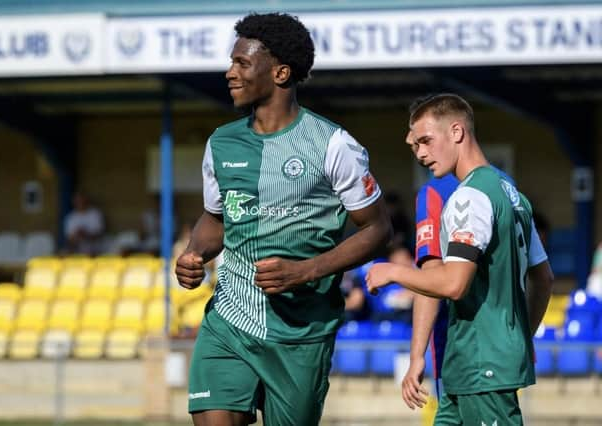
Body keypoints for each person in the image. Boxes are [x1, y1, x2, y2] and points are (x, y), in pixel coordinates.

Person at [175, 12, 391, 426]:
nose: (229, 73)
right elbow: (216, 218)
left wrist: (306, 271)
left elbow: (378, 229)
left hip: (301, 333)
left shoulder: (333, 145)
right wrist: (194, 253)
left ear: (280, 72)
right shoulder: (221, 143)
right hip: (230, 320)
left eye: (242, 63)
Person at [366, 93, 553, 425]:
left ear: (456, 131)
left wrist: (393, 271)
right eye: (414, 146)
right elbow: (544, 278)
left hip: (483, 365)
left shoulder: (469, 196)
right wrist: (521, 338)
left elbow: (453, 283)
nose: (421, 154)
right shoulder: (515, 195)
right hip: (466, 366)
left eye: (425, 141)